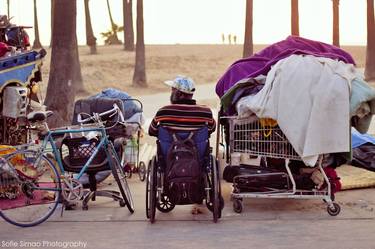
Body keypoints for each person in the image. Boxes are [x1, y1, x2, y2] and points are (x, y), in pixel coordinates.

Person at [148, 76, 216, 137]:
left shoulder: (163, 111)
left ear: (179, 93)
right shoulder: (205, 112)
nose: (171, 93)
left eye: (173, 90)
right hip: (197, 150)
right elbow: (212, 128)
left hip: (169, 150)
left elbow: (152, 131)